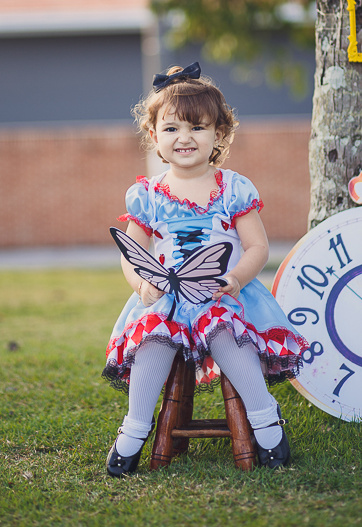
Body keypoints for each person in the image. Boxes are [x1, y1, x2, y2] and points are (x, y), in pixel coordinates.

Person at [103, 62, 308, 476]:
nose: (185, 138)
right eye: (173, 128)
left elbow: (257, 246)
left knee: (229, 337)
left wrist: (235, 279)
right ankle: (134, 430)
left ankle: (267, 423)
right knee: (152, 343)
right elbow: (132, 252)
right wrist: (142, 285)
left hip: (221, 293)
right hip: (167, 298)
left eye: (198, 128)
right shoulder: (148, 194)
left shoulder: (233, 188)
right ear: (154, 137)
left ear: (219, 135)